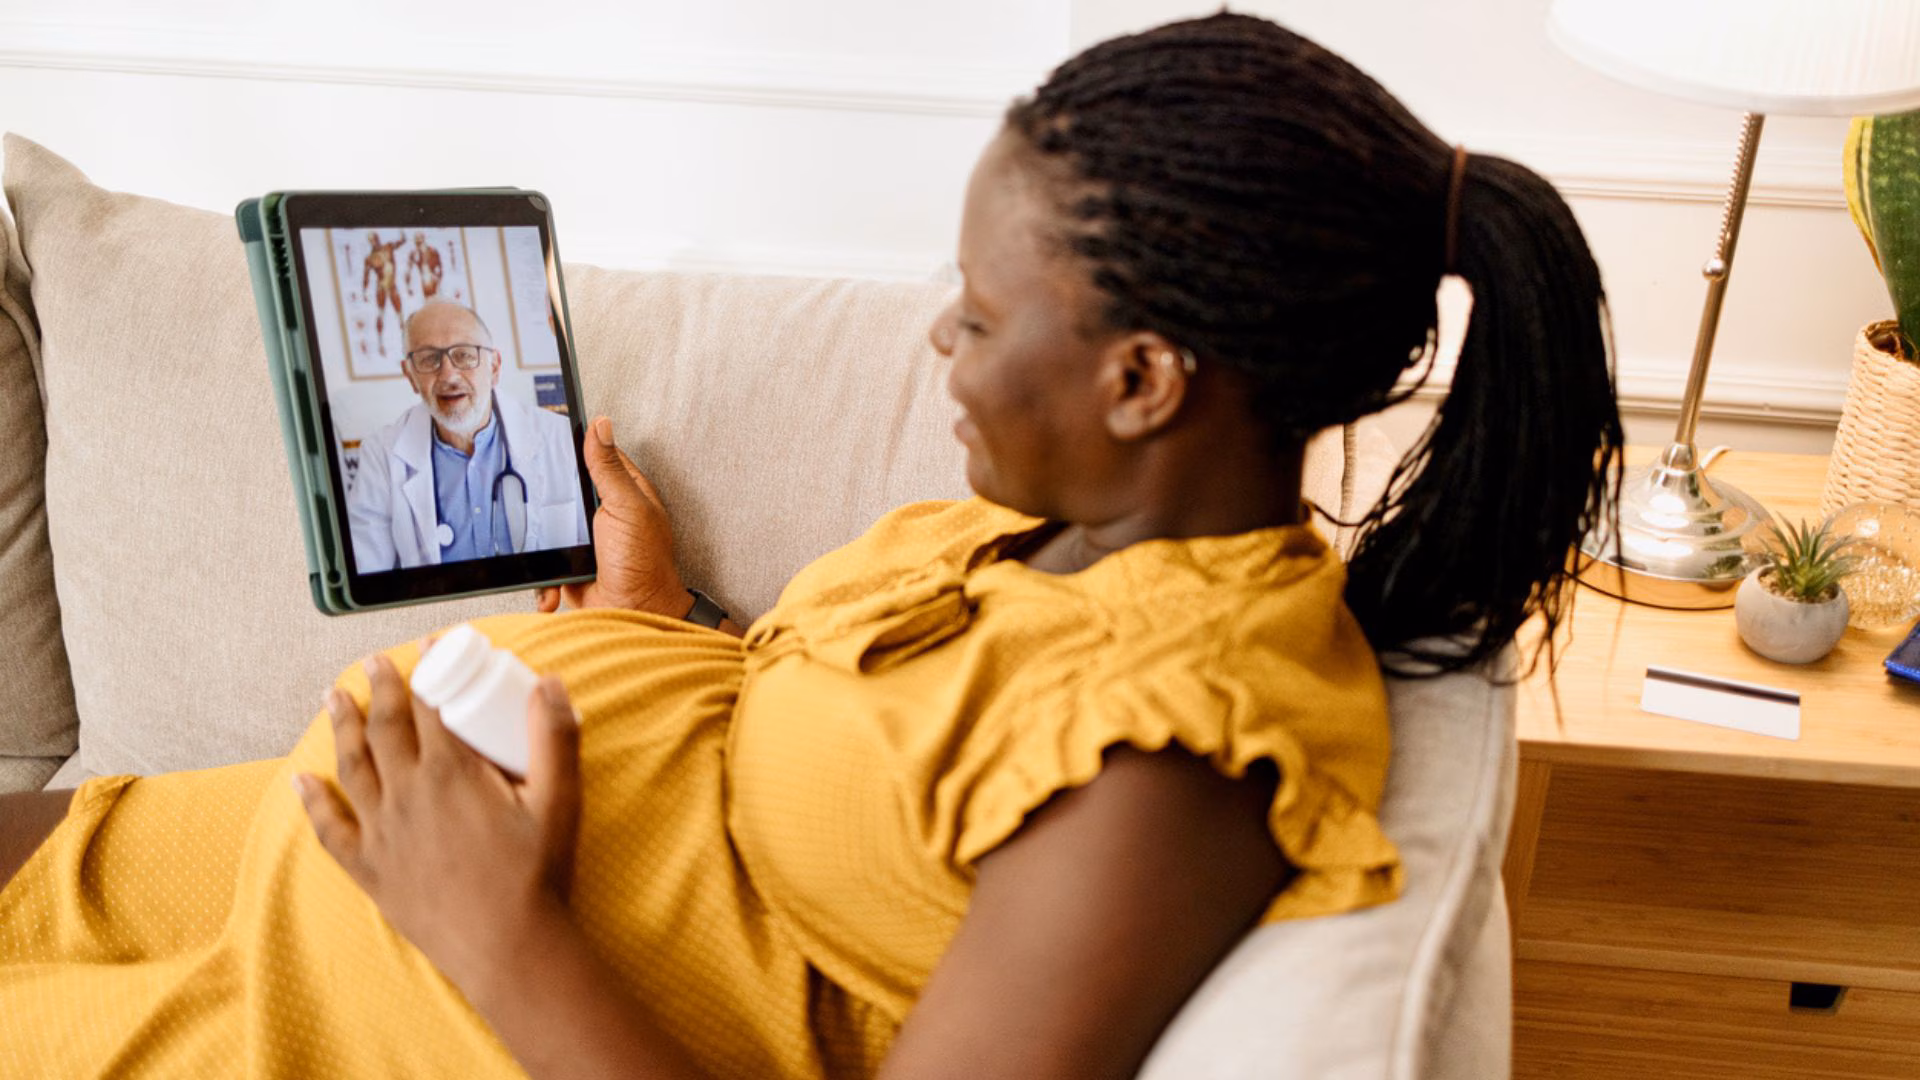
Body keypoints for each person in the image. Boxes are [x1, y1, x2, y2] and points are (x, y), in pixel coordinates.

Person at [0, 14, 1620, 1079]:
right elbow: (876, 766)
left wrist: (485, 918)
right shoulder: (1069, 527)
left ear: (1143, 381)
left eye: (982, 318)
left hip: (410, 1001)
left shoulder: (1177, 763)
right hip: (360, 838)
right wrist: (660, 623)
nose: (945, 343)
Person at [346, 299, 590, 571]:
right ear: (411, 375)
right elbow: (367, 569)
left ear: (494, 367)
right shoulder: (380, 454)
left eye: (464, 355)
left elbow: (591, 558)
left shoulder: (563, 438)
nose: (448, 374)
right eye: (429, 359)